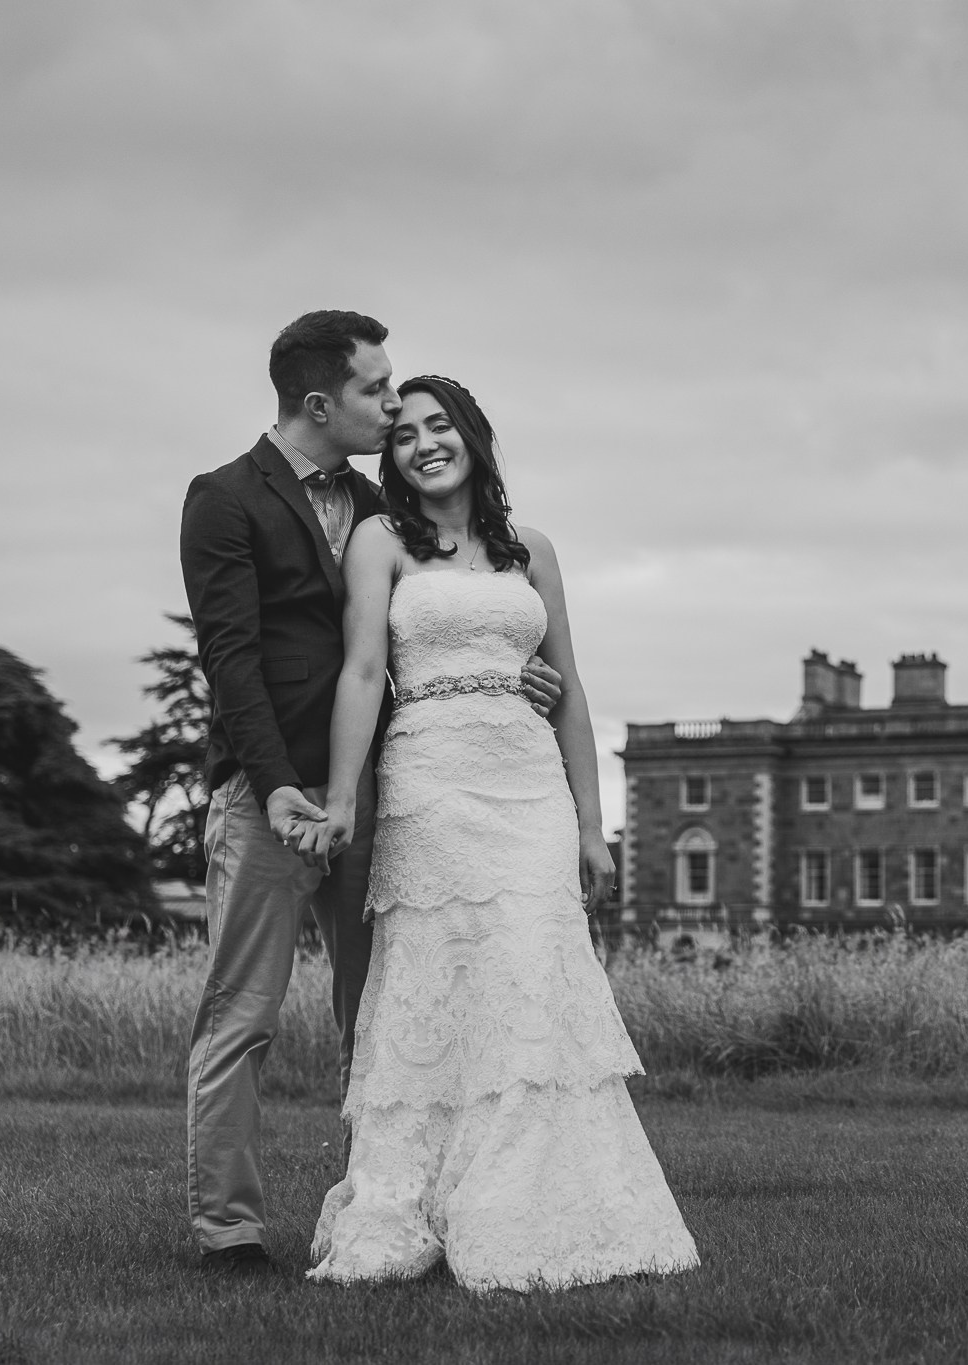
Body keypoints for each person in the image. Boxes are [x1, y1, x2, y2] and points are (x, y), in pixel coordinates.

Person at [178, 314, 564, 1274]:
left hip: (381, 790)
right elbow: (231, 663)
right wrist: (274, 790)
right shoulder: (223, 498)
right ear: (321, 403)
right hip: (266, 796)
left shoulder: (376, 504)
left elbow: (437, 627)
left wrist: (520, 675)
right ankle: (228, 1227)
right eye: (376, 391)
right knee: (245, 1013)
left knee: (379, 1013)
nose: (394, 406)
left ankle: (376, 1210)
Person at [298, 373, 698, 1291]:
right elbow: (362, 672)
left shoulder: (534, 550)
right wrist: (342, 796)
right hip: (430, 782)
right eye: (402, 435)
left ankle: (528, 1197)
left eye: (440, 426)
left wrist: (593, 824)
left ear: (475, 437)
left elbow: (571, 686)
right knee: (436, 982)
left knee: (531, 977)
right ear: (391, 459)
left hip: (527, 788)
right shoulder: (380, 541)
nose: (422, 443)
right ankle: (411, 1195)